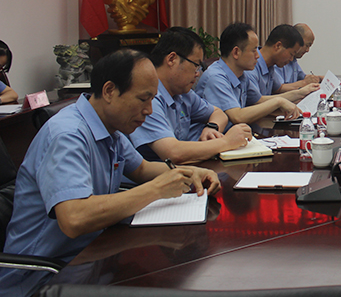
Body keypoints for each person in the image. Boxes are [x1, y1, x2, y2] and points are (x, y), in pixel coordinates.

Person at [0, 49, 220, 297]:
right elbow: (74, 219)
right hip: (42, 277)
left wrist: (191, 172)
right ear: (109, 91)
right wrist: (156, 189)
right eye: (143, 99)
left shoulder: (110, 127)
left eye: (152, 100)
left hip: (91, 258)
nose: (149, 110)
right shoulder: (67, 135)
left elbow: (141, 168)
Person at [128, 27, 252, 164]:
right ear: (172, 59)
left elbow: (218, 113)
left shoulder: (183, 94)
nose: (198, 73)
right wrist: (227, 142)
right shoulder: (148, 99)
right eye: (196, 65)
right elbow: (173, 153)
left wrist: (211, 127)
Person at [195, 22, 300, 125]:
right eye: (253, 50)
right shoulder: (215, 77)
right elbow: (238, 116)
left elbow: (258, 101)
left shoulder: (242, 75)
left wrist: (298, 94)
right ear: (236, 52)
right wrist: (278, 102)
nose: (257, 56)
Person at [247, 24, 319, 102]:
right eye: (291, 54)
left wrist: (304, 91)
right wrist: (298, 93)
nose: (291, 59)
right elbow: (257, 102)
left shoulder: (270, 66)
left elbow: (279, 88)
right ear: (278, 46)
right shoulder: (250, 66)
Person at [274, 23, 322, 94]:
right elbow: (279, 89)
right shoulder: (279, 60)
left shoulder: (293, 61)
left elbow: (303, 77)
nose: (307, 50)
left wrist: (319, 78)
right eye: (307, 45)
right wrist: (304, 83)